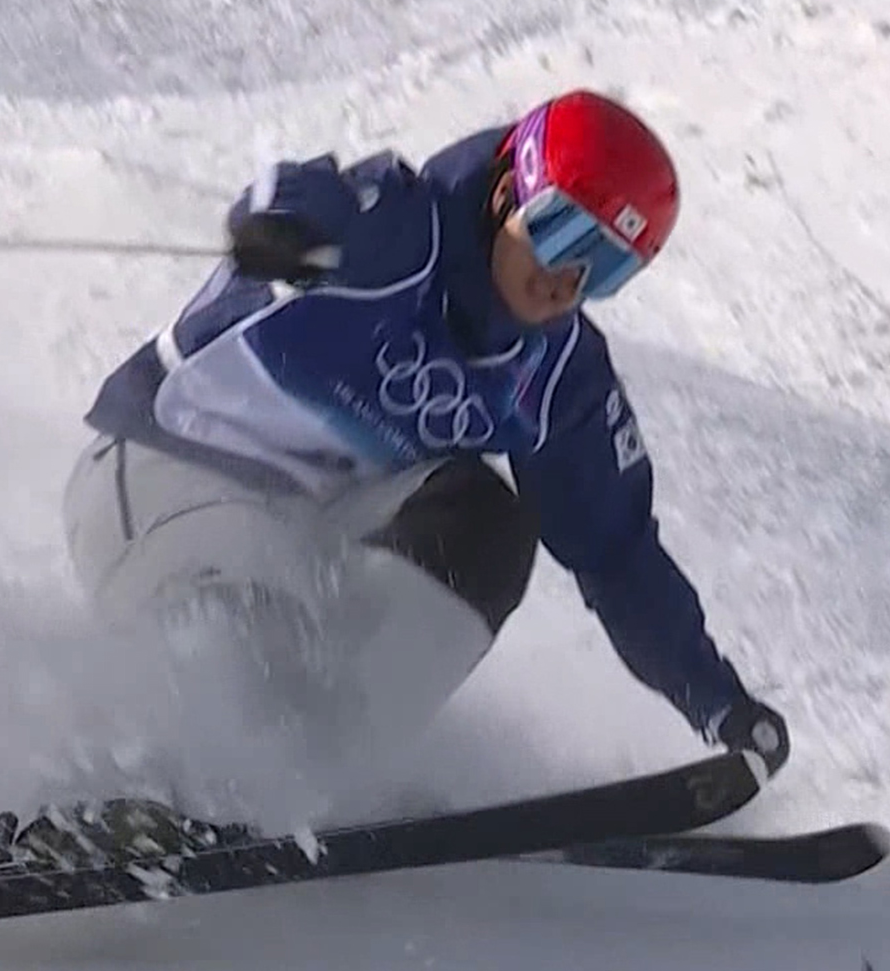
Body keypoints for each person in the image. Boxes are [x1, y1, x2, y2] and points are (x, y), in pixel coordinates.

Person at [57, 88, 790, 816]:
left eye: (607, 267)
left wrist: (719, 702)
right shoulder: (402, 232)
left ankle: (320, 777)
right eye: (564, 233)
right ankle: (119, 799)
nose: (569, 279)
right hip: (165, 469)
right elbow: (306, 198)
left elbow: (618, 553)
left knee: (484, 522)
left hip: (305, 537)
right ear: (508, 192)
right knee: (242, 644)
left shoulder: (557, 376)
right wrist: (284, 226)